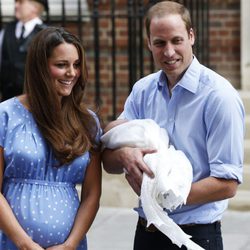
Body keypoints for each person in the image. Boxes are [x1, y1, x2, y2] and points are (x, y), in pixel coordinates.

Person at [102, 1, 245, 250]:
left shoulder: (219, 96)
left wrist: (162, 194)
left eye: (176, 40)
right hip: (147, 232)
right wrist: (125, 155)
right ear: (148, 43)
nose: (169, 52)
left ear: (191, 36)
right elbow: (109, 161)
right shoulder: (142, 91)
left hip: (196, 236)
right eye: (159, 43)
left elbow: (228, 183)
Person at [0, 26, 102, 250]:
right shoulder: (5, 116)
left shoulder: (88, 122)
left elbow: (92, 194)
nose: (72, 73)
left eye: (76, 65)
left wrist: (69, 245)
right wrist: (26, 245)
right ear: (39, 68)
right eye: (61, 65)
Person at [0, 0, 48, 101]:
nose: (16, 5)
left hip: (36, 101)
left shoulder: (46, 34)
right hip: (7, 100)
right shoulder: (7, 30)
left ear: (35, 7)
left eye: (20, 2)